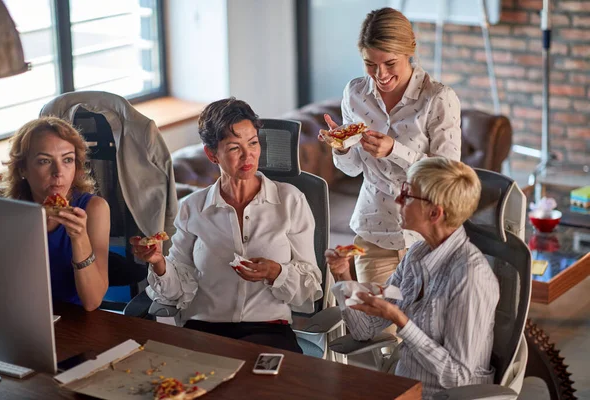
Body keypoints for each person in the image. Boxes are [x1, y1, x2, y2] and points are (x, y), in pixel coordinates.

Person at [131, 98, 322, 353]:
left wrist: (276, 272)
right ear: (211, 154)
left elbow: (309, 289)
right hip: (205, 330)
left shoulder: (290, 201)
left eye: (253, 143)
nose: (248, 155)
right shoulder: (192, 208)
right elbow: (176, 291)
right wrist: (158, 262)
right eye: (234, 148)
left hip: (269, 330)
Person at [326, 157, 499, 399]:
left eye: (407, 194)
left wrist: (402, 321)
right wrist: (342, 273)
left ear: (434, 213)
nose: (398, 200)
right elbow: (363, 330)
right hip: (403, 387)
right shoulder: (416, 255)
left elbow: (458, 377)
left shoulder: (471, 276)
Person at [321, 7, 461, 284]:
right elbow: (351, 171)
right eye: (370, 64)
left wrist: (394, 150)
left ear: (410, 51)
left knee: (424, 326)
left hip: (428, 235)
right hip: (374, 231)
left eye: (389, 63)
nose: (380, 74)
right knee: (378, 326)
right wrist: (342, 147)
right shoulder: (355, 94)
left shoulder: (438, 99)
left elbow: (449, 177)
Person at [1, 117, 110, 311]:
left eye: (67, 160)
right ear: (23, 168)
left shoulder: (95, 208)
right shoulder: (3, 206)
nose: (59, 172)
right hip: (19, 314)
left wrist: (79, 238)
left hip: (74, 320)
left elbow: (92, 302)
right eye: (44, 161)